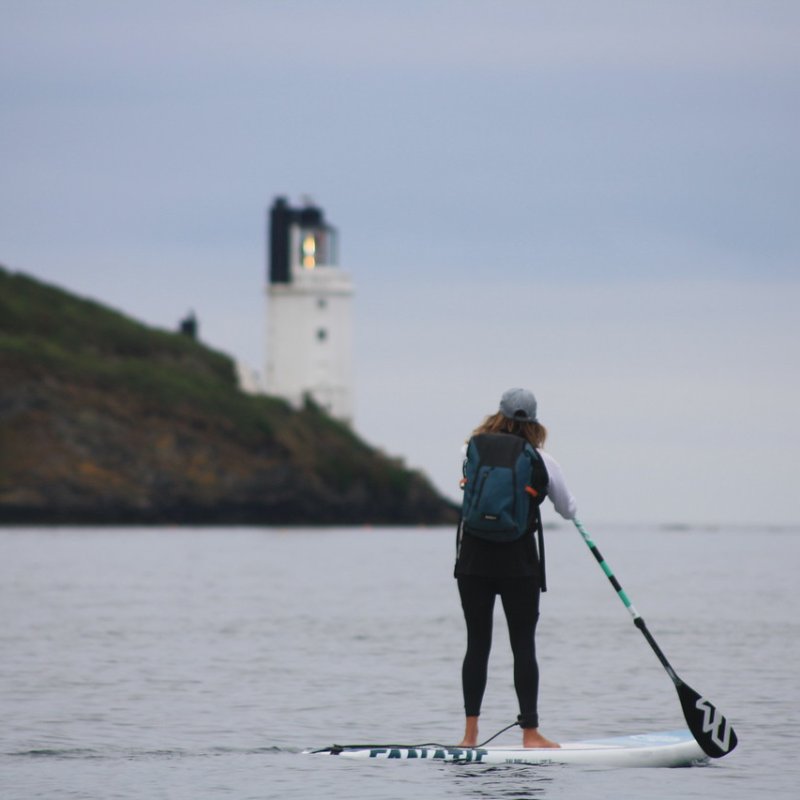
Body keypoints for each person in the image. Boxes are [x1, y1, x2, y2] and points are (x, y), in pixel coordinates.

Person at [455, 387, 577, 749]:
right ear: (533, 421)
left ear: (499, 414)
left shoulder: (470, 449)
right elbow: (567, 509)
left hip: (473, 560)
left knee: (477, 644)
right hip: (518, 562)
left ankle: (469, 735)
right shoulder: (541, 459)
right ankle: (530, 733)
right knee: (523, 644)